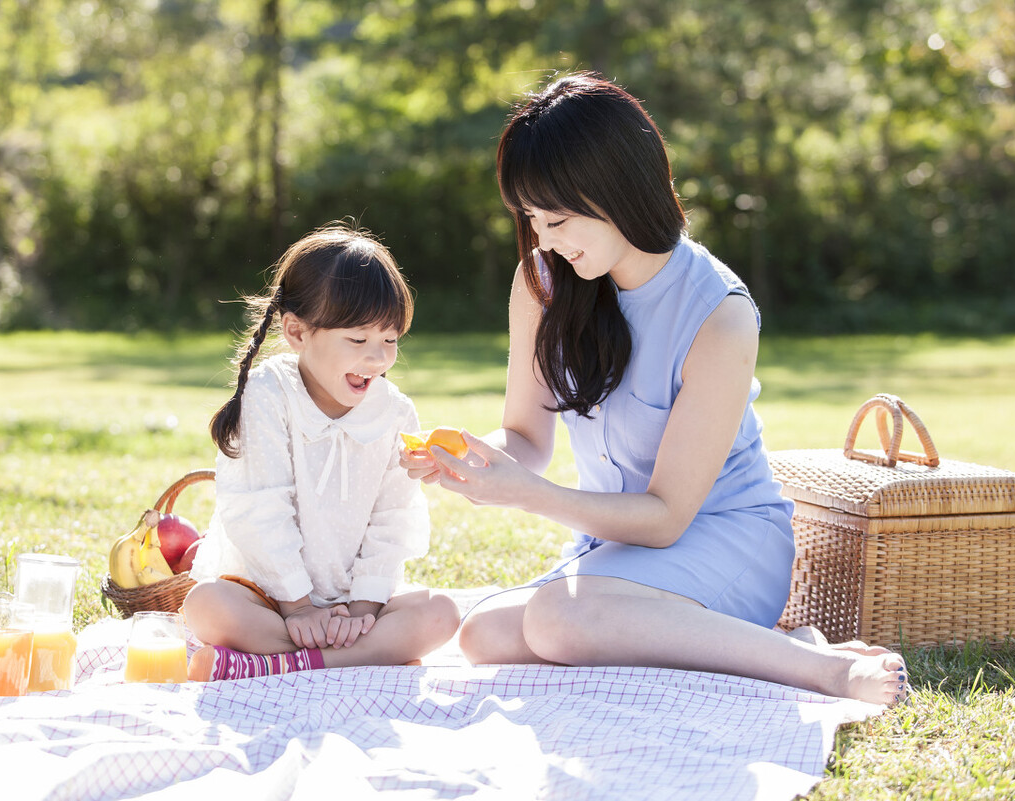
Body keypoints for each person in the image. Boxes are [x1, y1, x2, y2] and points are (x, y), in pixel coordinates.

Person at [402, 73, 908, 706]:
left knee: (559, 620)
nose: (543, 240)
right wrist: (478, 461)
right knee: (485, 636)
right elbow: (527, 438)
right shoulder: (542, 282)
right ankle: (748, 642)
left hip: (724, 537)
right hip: (617, 542)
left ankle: (819, 668)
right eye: (532, 220)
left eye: (556, 220)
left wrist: (530, 496)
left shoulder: (717, 315)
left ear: (615, 191)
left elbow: (668, 517)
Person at [183, 222, 460, 681]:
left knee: (441, 614)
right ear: (296, 332)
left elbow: (392, 517)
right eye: (357, 340)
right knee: (207, 606)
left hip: (354, 603)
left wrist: (360, 611)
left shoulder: (394, 413)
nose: (377, 359)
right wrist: (298, 607)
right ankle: (362, 657)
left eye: (390, 340)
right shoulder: (271, 392)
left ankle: (279, 664)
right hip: (268, 594)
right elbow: (259, 506)